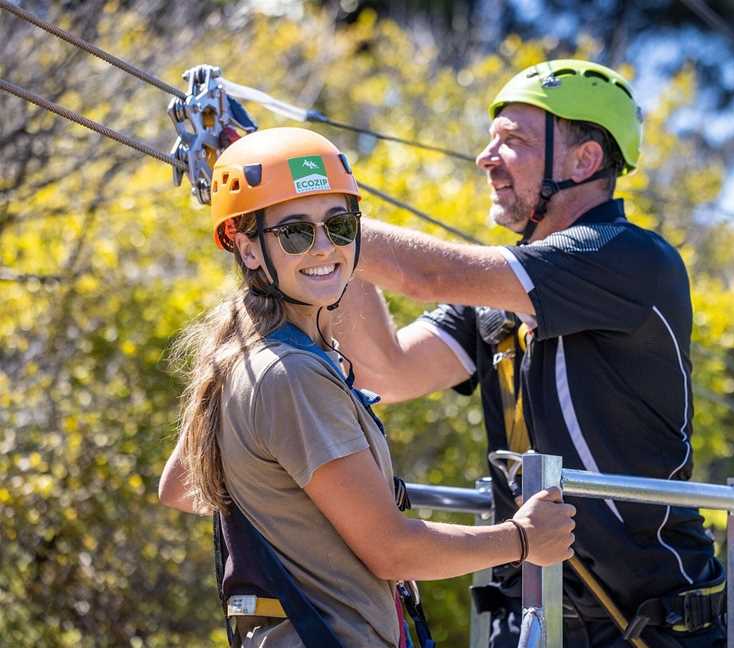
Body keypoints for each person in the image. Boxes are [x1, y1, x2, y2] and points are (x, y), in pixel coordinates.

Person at [333, 60, 727, 647]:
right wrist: (328, 223)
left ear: (584, 161)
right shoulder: (491, 302)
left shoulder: (629, 257)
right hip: (533, 618)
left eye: (512, 141)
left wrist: (316, 214)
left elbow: (428, 272)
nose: (486, 158)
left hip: (653, 623)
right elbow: (381, 372)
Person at [157, 126, 576, 648]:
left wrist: (294, 509)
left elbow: (180, 485)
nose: (323, 247)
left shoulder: (243, 359)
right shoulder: (291, 374)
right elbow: (393, 551)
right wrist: (522, 539)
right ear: (248, 250)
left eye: (339, 225)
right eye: (295, 233)